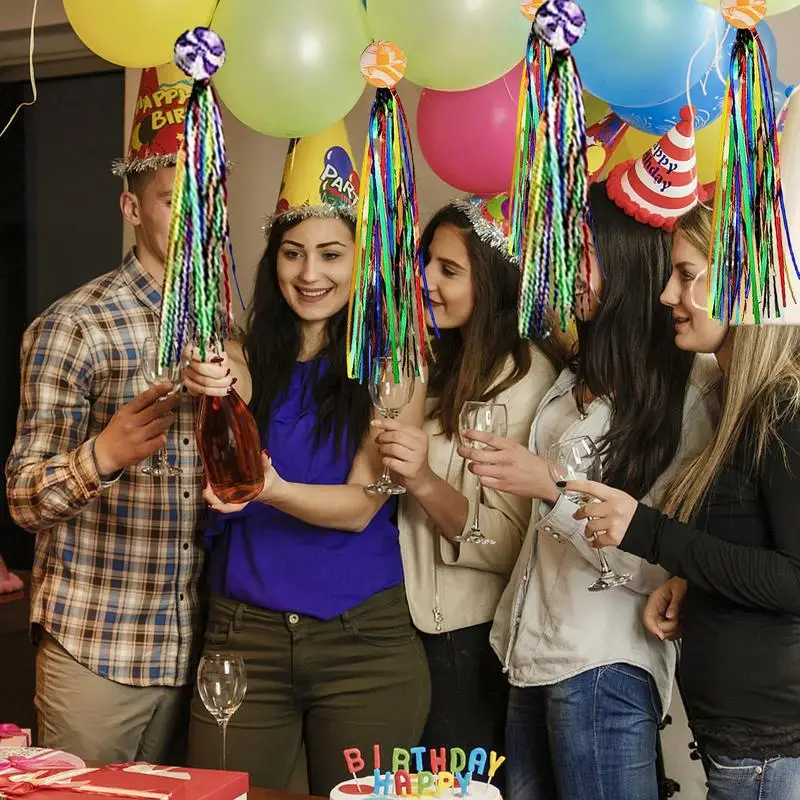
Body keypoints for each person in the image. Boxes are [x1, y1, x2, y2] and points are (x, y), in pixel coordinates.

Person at [465, 118, 722, 800]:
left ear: (629, 262)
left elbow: (664, 564)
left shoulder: (686, 393)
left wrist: (551, 486)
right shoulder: (576, 373)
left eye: (581, 255)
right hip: (527, 657)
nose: (566, 272)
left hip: (603, 669)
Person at [184, 123, 430, 795]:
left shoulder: (394, 364)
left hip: (364, 645)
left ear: (362, 259)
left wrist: (267, 489)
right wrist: (204, 377)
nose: (310, 274)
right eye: (293, 254)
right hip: (243, 638)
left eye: (330, 254)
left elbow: (359, 509)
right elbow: (225, 376)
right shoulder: (245, 350)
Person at [569, 92, 800, 799]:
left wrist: (648, 533)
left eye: (687, 275)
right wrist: (691, 581)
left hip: (772, 752)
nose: (669, 294)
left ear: (738, 277)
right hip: (744, 746)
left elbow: (796, 579)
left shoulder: (784, 408)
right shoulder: (736, 402)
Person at [5, 64, 203, 763]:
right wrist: (105, 453)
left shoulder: (230, 328)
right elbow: (24, 498)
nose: (196, 219)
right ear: (132, 208)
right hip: (97, 647)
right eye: (177, 200)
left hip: (196, 651)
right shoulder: (75, 326)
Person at [372, 195, 558, 767]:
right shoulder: (427, 357)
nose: (426, 279)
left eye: (449, 270)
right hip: (393, 633)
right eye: (428, 260)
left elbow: (503, 544)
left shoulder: (524, 380)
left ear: (494, 284)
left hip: (462, 642)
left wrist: (423, 480)